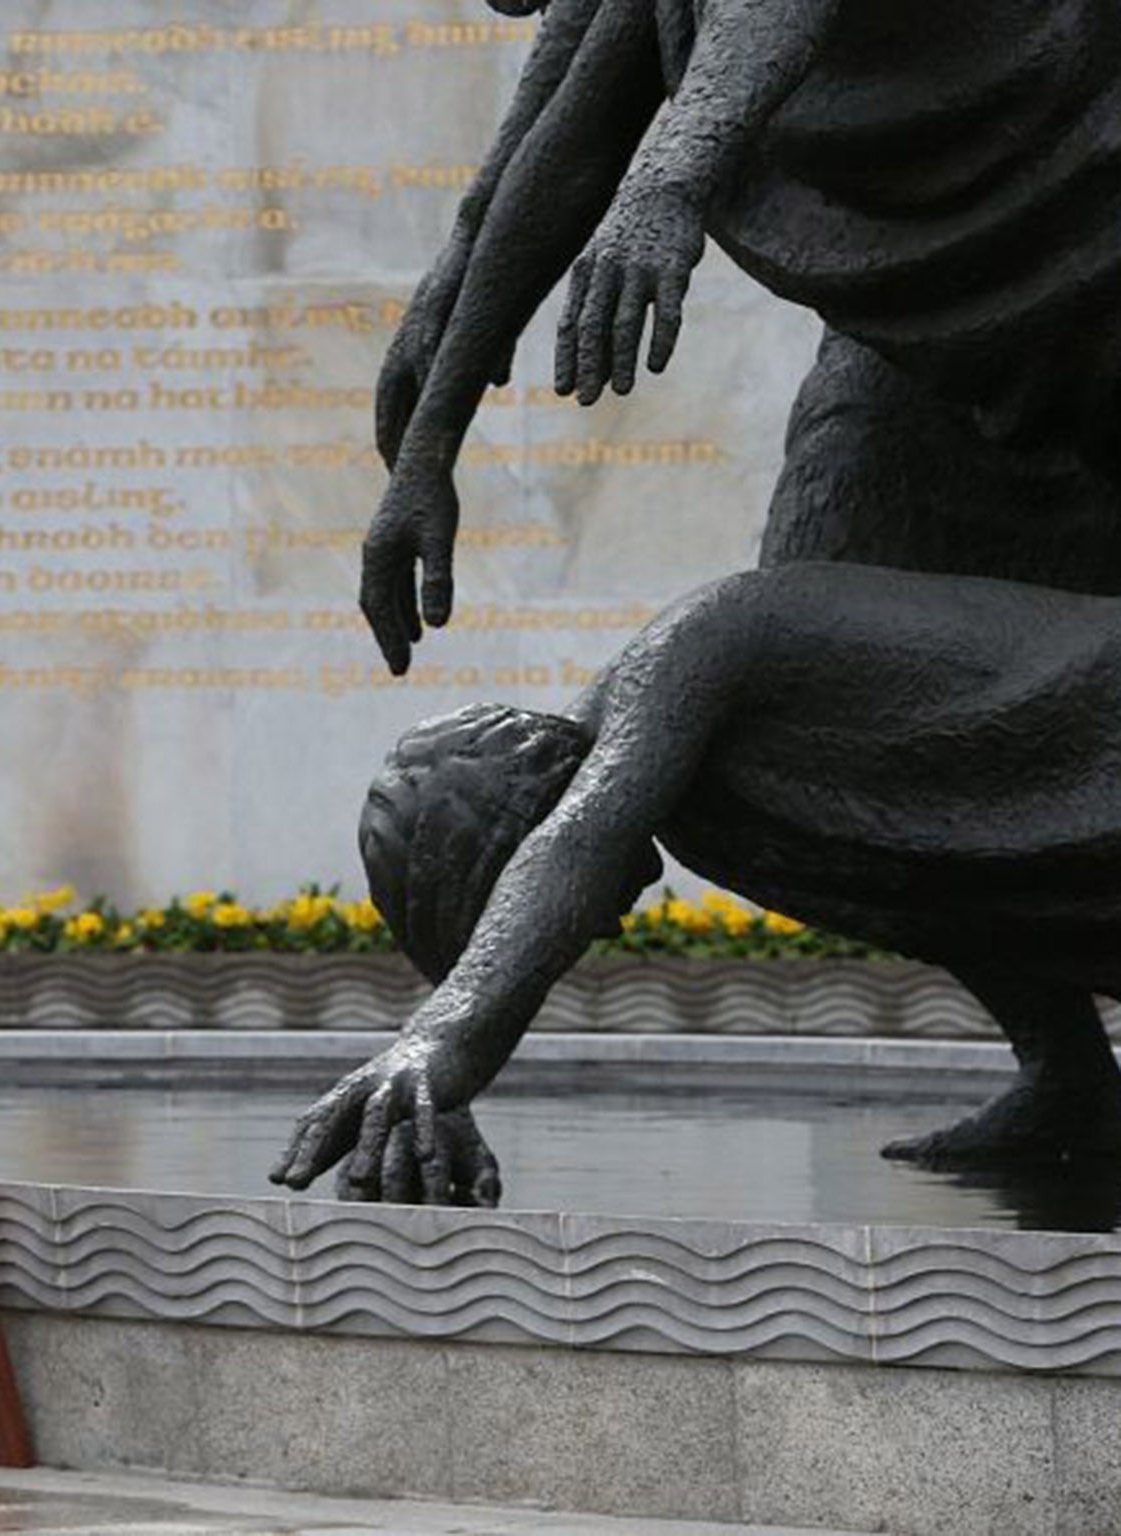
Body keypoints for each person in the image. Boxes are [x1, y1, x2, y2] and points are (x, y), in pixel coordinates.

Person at [271, 561, 1121, 1203]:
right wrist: (439, 1107)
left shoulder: (685, 655)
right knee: (895, 863)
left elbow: (578, 844)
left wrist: (442, 1043)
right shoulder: (712, 807)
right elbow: (942, 871)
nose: (595, 933)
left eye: (509, 892)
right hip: (1052, 782)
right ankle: (1071, 1079)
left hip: (1096, 712)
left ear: (526, 817)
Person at [362, 0, 1121, 675]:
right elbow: (576, 138)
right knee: (809, 672)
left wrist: (671, 181)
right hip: (944, 357)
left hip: (1086, 259)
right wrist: (430, 444)